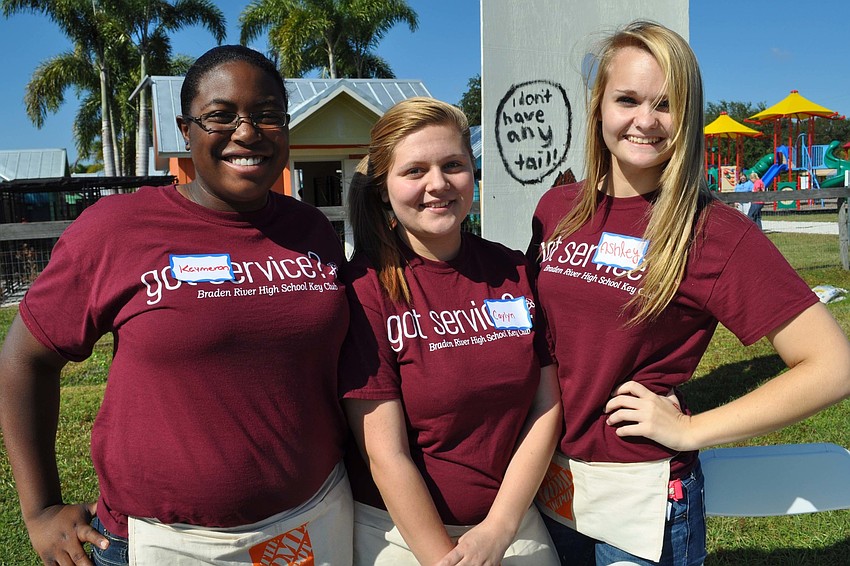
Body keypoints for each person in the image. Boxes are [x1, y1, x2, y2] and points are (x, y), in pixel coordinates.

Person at [0, 45, 352, 566]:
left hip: (313, 519)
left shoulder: (311, 229)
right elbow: (26, 359)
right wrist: (41, 509)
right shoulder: (118, 229)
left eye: (267, 115)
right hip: (165, 542)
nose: (247, 132)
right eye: (220, 116)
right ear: (186, 131)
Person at [527, 20, 850, 566]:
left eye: (667, 104)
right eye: (627, 99)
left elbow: (833, 366)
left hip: (642, 498)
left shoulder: (712, 231)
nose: (646, 121)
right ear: (599, 106)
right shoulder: (556, 209)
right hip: (551, 485)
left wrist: (691, 428)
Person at [341, 97, 561, 565]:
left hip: (512, 525)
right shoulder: (365, 288)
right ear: (383, 189)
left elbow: (546, 407)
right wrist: (443, 558)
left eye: (453, 165)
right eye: (414, 171)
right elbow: (385, 455)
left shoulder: (513, 270)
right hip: (401, 536)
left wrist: (499, 528)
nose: (438, 184)